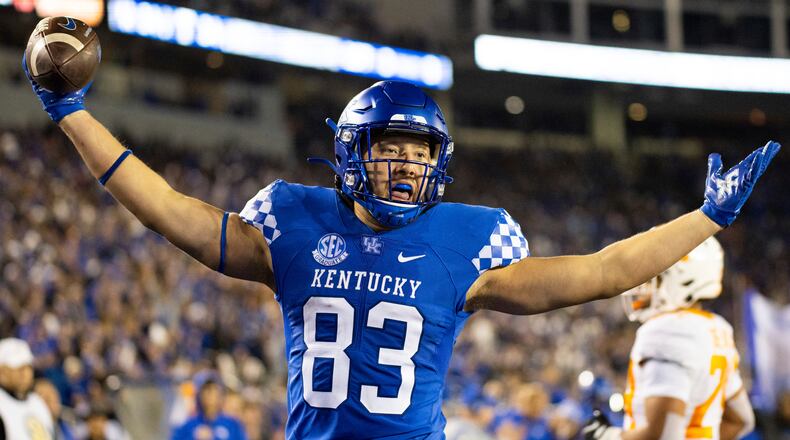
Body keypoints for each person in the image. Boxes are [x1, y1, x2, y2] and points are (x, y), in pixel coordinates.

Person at [22, 46, 780, 438]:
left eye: (421, 152)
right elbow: (167, 210)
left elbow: (602, 271)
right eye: (391, 146)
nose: (406, 163)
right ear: (353, 150)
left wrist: (705, 218)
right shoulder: (292, 221)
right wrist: (72, 115)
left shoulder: (468, 241)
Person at [581, 237, 755, 440]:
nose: (641, 285)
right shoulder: (717, 328)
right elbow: (741, 421)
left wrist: (607, 436)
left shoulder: (667, 331)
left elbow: (663, 436)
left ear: (684, 279)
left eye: (653, 278)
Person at [0, 338, 55, 440]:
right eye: (19, 368)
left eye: (28, 367)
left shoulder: (38, 402)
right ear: (2, 372)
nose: (26, 374)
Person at [170, 372, 246, 440]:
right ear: (199, 394)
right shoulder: (187, 425)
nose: (211, 394)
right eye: (207, 389)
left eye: (214, 389)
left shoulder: (232, 424)